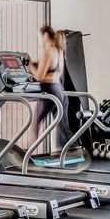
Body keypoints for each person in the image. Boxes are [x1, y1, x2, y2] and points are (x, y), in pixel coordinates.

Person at [25, 24, 68, 154]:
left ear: (45, 35)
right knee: (63, 127)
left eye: (40, 37)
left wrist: (30, 66)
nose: (40, 40)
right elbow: (55, 73)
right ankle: (73, 152)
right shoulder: (58, 50)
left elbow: (39, 76)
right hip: (57, 89)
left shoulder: (48, 51)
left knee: (34, 124)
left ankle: (28, 155)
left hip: (48, 92)